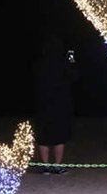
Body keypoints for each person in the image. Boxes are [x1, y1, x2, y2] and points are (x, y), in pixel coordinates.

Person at [32, 32, 78, 175]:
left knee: (43, 135)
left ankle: (46, 166)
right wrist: (71, 60)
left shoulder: (38, 63)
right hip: (60, 103)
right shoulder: (64, 63)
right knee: (59, 135)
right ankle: (57, 166)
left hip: (42, 103)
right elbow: (75, 76)